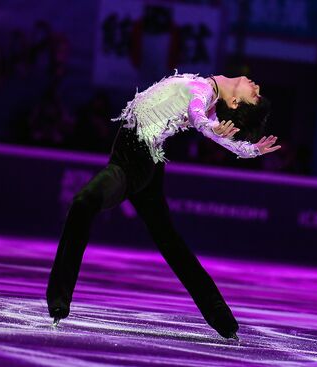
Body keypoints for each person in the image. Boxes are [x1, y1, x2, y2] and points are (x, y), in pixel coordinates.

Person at [46, 70, 281, 340]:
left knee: (83, 202)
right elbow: (218, 133)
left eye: (255, 94)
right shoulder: (209, 96)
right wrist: (250, 149)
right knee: (169, 241)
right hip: (149, 160)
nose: (257, 84)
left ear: (236, 103)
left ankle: (58, 300)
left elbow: (198, 117)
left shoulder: (203, 95)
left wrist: (212, 129)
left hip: (134, 161)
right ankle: (223, 320)